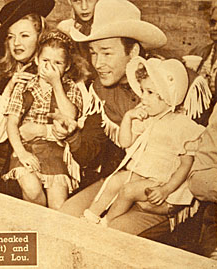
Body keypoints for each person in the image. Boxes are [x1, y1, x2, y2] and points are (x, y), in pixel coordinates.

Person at [52, 0, 177, 236]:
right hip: (116, 182)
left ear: (134, 52)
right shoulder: (99, 90)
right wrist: (72, 135)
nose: (98, 64)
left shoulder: (170, 84)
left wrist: (172, 197)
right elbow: (91, 151)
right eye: (93, 53)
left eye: (107, 53)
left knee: (110, 236)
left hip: (162, 195)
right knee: (64, 219)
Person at [82, 57, 205, 227]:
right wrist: (128, 118)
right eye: (142, 91)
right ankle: (90, 216)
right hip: (141, 173)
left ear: (167, 97)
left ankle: (106, 222)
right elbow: (125, 142)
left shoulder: (182, 126)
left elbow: (186, 165)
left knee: (128, 190)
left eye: (150, 92)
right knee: (116, 180)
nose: (143, 98)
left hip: (162, 182)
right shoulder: (148, 118)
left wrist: (166, 189)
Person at [3, 30, 88, 209]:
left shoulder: (70, 88)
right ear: (36, 60)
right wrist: (21, 153)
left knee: (59, 206)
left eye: (57, 63)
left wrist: (56, 84)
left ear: (66, 66)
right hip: (26, 147)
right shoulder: (24, 86)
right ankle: (36, 220)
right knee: (32, 190)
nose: (50, 67)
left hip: (56, 150)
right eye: (45, 61)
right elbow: (11, 123)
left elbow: (70, 116)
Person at [0, 0, 55, 194]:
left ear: (40, 37)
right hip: (6, 175)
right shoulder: (4, 78)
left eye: (24, 35)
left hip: (50, 169)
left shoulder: (55, 74)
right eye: (11, 37)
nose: (16, 43)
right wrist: (9, 90)